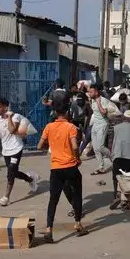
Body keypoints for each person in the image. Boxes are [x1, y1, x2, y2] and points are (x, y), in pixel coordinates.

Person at [37, 100, 89, 243]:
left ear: (55, 113)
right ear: (67, 113)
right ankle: (78, 223)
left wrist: (53, 145)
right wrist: (77, 158)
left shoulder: (49, 127)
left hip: (56, 168)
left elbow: (39, 146)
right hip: (71, 166)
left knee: (53, 199)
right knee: (77, 194)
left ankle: (49, 229)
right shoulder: (71, 127)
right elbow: (74, 146)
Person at [0, 98, 40, 206]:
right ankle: (30, 179)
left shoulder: (15, 116)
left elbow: (12, 130)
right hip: (6, 150)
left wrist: (9, 117)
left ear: (5, 107)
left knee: (11, 172)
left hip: (16, 148)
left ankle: (6, 197)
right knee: (14, 172)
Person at [88, 84, 112, 175]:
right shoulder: (93, 100)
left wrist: (98, 103)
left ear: (97, 92)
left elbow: (104, 113)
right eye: (89, 92)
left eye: (91, 92)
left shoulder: (103, 100)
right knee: (96, 149)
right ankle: (101, 167)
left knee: (101, 147)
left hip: (103, 125)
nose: (89, 93)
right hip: (95, 126)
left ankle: (114, 157)